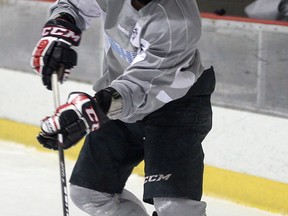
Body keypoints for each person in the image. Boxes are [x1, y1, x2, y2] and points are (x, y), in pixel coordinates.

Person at [31, 0, 215, 215]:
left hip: (176, 104)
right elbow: (74, 4)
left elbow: (138, 87)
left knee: (176, 209)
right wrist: (62, 25)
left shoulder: (177, 21)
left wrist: (92, 111)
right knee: (89, 193)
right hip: (117, 93)